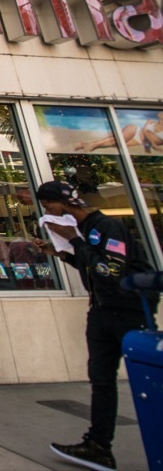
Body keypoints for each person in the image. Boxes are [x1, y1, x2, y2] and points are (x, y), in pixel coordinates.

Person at [33, 180, 159, 471]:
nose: (47, 210)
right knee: (101, 379)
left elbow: (109, 271)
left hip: (128, 311)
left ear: (64, 203)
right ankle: (98, 446)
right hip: (101, 310)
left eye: (48, 205)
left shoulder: (105, 227)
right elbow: (92, 266)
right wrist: (61, 254)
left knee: (148, 377)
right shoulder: (84, 231)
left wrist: (73, 241)